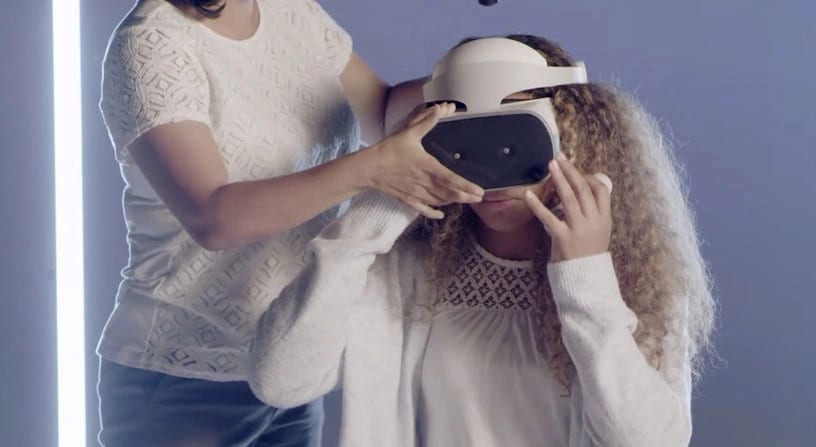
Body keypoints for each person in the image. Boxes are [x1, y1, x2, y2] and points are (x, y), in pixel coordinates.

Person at [248, 34, 717, 446]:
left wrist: (586, 279)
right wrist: (383, 202)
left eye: (514, 145)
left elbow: (651, 441)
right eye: (465, 147)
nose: (492, 180)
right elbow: (280, 382)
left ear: (570, 140)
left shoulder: (634, 282)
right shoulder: (407, 270)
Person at [95, 0, 485, 445]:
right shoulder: (152, 41)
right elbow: (214, 218)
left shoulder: (291, 9)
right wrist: (371, 169)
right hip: (183, 380)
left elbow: (381, 114)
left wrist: (486, 76)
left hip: (286, 356)